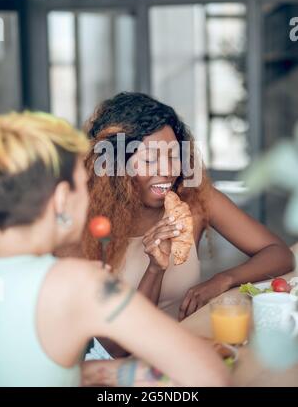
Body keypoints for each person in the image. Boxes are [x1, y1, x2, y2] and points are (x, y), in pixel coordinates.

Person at [0, 111, 228, 387]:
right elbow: (211, 376)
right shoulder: (76, 283)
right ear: (61, 199)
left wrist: (84, 372)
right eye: (84, 185)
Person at [81, 92, 293, 357]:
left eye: (172, 155)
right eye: (149, 160)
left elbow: (279, 253)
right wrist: (155, 270)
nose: (167, 170)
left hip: (190, 352)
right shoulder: (88, 224)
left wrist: (223, 279)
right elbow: (114, 347)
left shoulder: (194, 202)